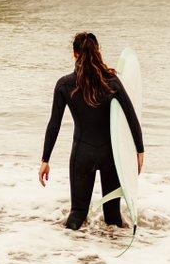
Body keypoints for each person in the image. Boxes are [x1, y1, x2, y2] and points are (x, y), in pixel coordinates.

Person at [38, 31, 144, 231]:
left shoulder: (64, 85)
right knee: (112, 217)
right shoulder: (111, 82)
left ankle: (67, 255)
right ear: (98, 52)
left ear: (75, 54)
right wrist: (139, 151)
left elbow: (54, 124)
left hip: (82, 155)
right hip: (110, 156)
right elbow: (131, 116)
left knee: (77, 214)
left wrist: (45, 159)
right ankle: (117, 258)